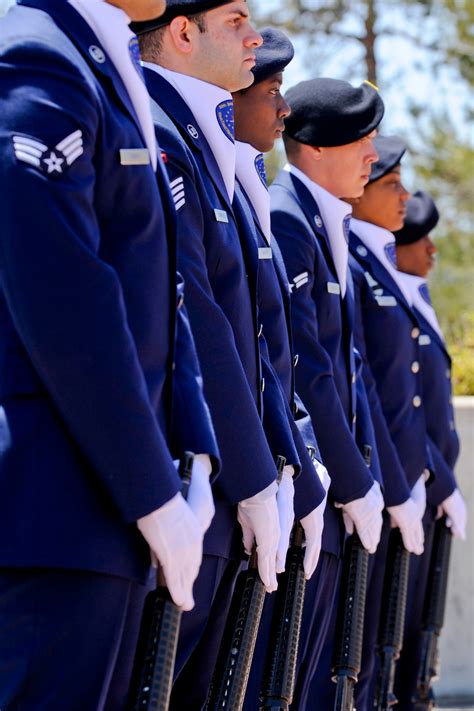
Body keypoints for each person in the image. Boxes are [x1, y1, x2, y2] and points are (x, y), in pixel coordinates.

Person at [0, 1, 219, 708]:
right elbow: (67, 296)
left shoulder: (93, 62)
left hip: (102, 513)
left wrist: (196, 459)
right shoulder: (36, 59)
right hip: (55, 510)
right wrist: (153, 490)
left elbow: (162, 294)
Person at [133, 4, 302, 706]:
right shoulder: (165, 140)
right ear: (182, 33)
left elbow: (263, 346)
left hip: (230, 483)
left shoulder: (203, 150)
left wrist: (288, 468)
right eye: (236, 20)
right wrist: (254, 474)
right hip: (185, 485)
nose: (253, 38)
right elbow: (197, 322)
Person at [269, 77, 386, 708]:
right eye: (361, 139)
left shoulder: (315, 219)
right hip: (314, 492)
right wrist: (351, 481)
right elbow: (306, 373)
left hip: (335, 492)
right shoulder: (289, 217)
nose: (373, 153)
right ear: (313, 148)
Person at [231, 29, 331, 708]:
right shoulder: (284, 213)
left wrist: (302, 462)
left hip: (276, 475)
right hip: (217, 481)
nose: (284, 109)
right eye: (270, 93)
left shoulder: (254, 190)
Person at [346, 137, 431, 709]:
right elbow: (360, 385)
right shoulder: (353, 260)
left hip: (395, 487)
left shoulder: (370, 262)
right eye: (390, 184)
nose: (403, 198)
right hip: (366, 488)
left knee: (381, 653)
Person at [392, 190, 467, 709]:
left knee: (419, 647)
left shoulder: (417, 301)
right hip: (410, 491)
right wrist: (441, 482)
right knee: (391, 648)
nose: (432, 251)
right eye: (420, 240)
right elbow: (405, 409)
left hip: (427, 498)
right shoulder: (392, 301)